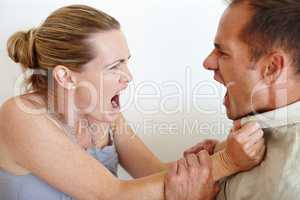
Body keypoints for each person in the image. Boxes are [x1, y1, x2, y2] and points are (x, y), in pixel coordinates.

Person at [0, 4, 265, 200]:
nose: (128, 76)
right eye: (114, 66)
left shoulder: (104, 112)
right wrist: (229, 161)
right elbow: (111, 193)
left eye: (126, 61)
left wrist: (213, 156)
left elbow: (153, 173)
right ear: (66, 77)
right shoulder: (21, 115)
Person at [179, 0, 300, 199]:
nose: (208, 62)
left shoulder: (287, 182)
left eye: (223, 52)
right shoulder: (253, 130)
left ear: (272, 68)